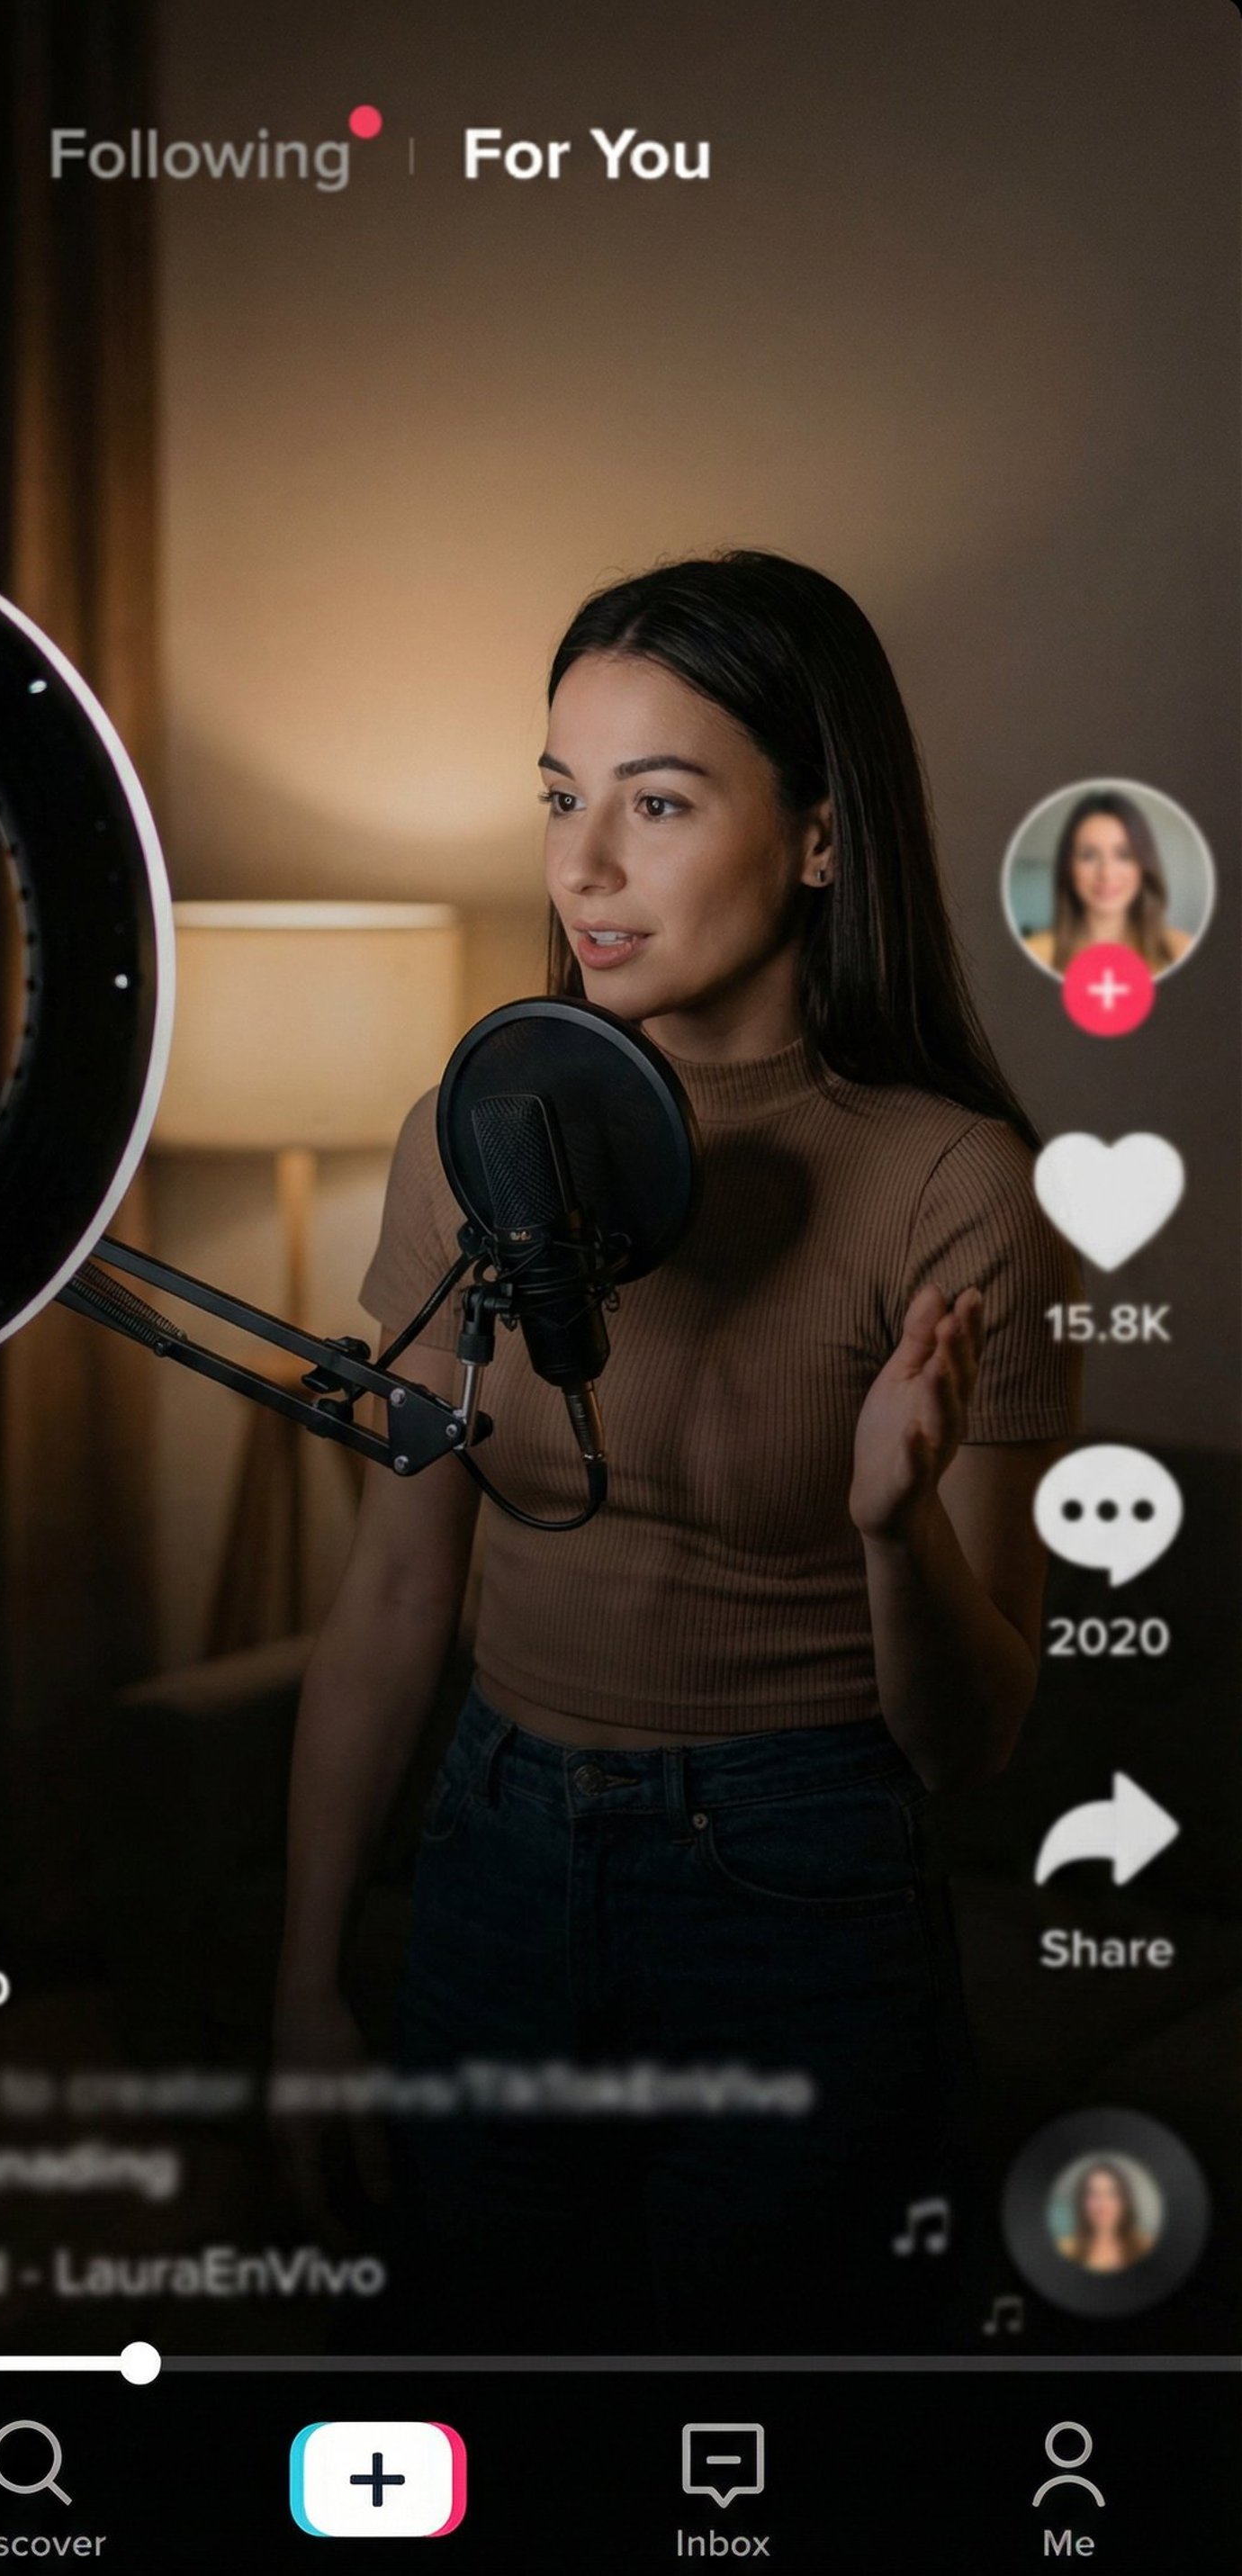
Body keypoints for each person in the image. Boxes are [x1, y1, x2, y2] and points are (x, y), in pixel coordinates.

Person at [273, 549, 1081, 2350]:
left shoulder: (956, 1193)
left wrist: (896, 1531)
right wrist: (309, 1976)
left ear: (814, 835)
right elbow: (399, 1595)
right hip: (494, 1855)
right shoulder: (460, 1140)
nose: (585, 865)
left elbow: (971, 1743)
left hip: (793, 1887)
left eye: (658, 799)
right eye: (563, 798)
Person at [1022, 788, 1193, 973]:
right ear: (1069, 867)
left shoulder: (1181, 951)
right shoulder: (1033, 953)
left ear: (1143, 865)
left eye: (1124, 855)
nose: (1107, 873)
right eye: (1089, 856)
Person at [1057, 2159, 1154, 2273]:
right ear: (1082, 2202)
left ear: (1125, 2201)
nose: (1103, 2204)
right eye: (1094, 2194)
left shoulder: (1145, 2246)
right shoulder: (1065, 2249)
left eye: (1111, 2194)